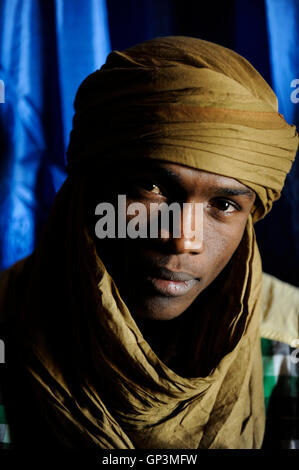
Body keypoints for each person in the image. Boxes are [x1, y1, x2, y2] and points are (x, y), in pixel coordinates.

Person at [0, 36, 299, 450]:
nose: (181, 240)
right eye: (151, 187)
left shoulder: (289, 339)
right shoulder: (6, 324)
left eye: (224, 204)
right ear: (88, 187)